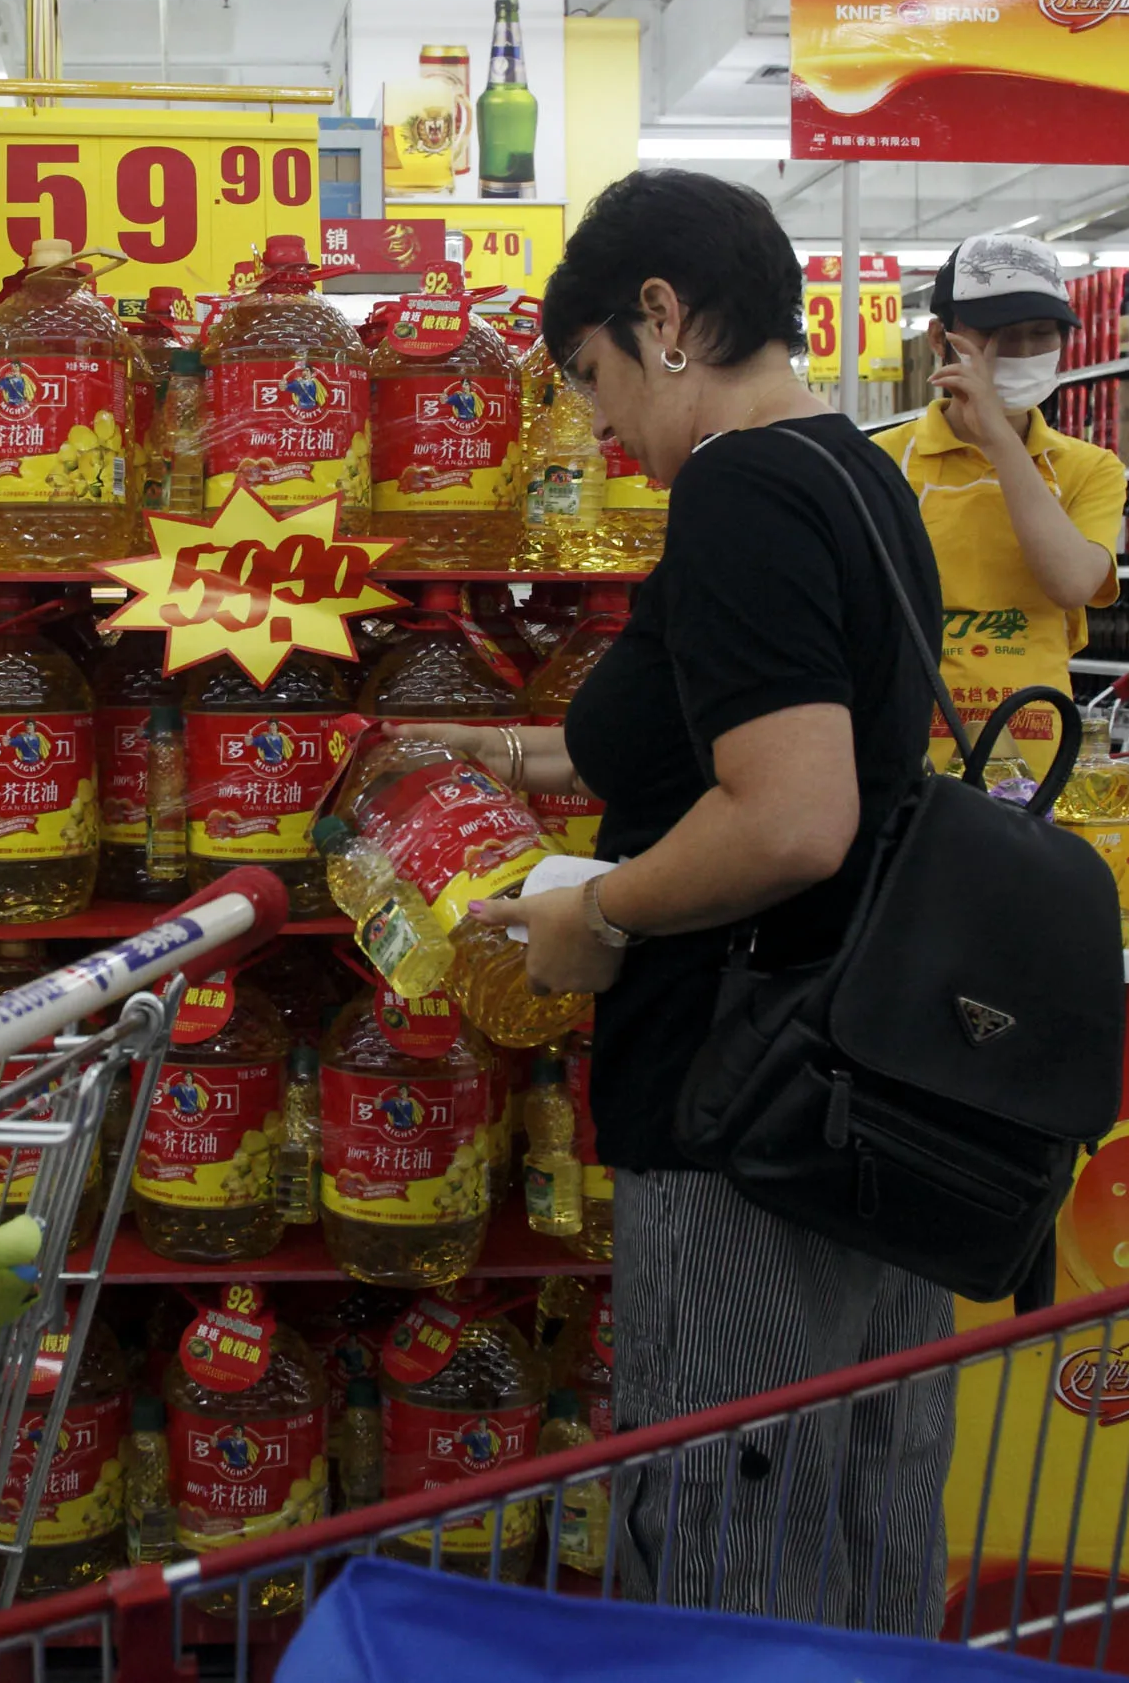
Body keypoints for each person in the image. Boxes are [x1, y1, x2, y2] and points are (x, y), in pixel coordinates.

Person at [396, 169, 954, 1633]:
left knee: (732, 1506)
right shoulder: (855, 470)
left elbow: (790, 814)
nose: (594, 423)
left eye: (589, 375)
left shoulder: (737, 489)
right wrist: (496, 749)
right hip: (872, 1082)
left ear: (663, 316)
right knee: (857, 1495)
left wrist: (610, 913)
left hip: (746, 1099)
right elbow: (737, 731)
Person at [878, 235, 1127, 772]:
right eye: (997, 335)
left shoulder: (1090, 469)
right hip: (906, 760)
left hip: (1037, 762)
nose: (1020, 351)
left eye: (1040, 335)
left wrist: (999, 440)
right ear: (939, 338)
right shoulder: (881, 462)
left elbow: (1071, 584)